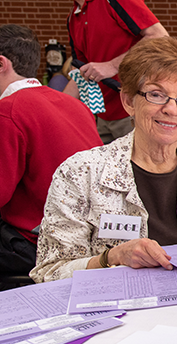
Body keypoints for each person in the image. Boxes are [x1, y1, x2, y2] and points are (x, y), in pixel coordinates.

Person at [31, 37, 177, 283]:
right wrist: (110, 258)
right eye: (156, 94)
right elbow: (48, 273)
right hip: (121, 315)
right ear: (128, 101)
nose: (172, 110)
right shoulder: (81, 172)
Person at [0, 24, 102, 276]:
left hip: (37, 244)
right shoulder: (75, 105)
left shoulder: (8, 112)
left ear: (1, 64)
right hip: (89, 240)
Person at [52, 0, 169, 144]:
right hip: (102, 115)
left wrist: (112, 66)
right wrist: (55, 108)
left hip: (136, 109)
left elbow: (160, 36)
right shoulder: (72, 19)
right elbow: (81, 72)